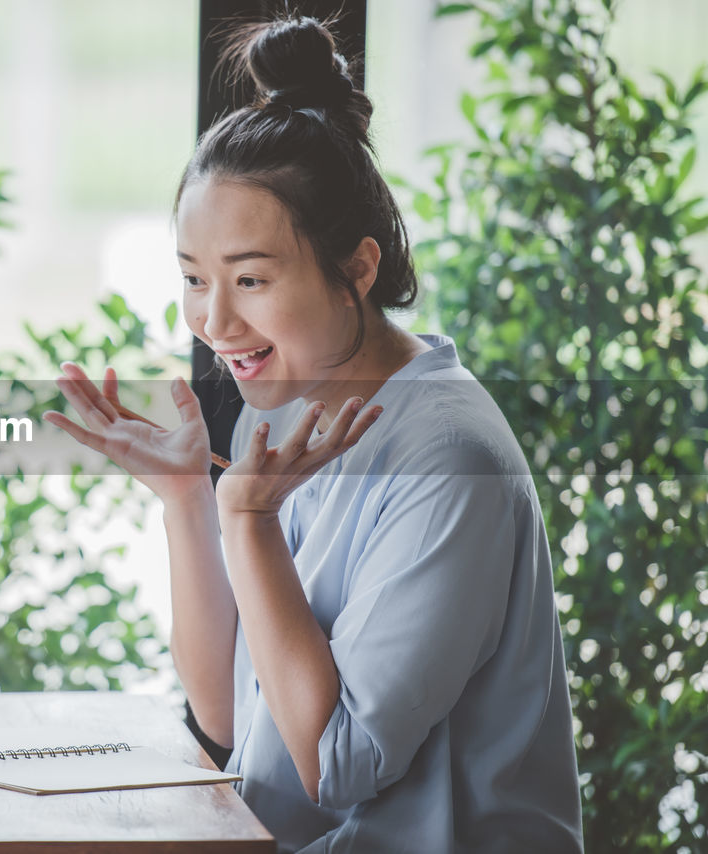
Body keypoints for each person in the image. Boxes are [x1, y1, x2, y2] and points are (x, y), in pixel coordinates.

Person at [44, 15, 584, 854]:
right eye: (194, 279)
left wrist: (249, 522)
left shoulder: (447, 459)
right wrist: (188, 498)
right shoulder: (299, 406)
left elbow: (335, 766)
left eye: (251, 279)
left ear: (357, 271)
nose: (214, 321)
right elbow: (229, 720)